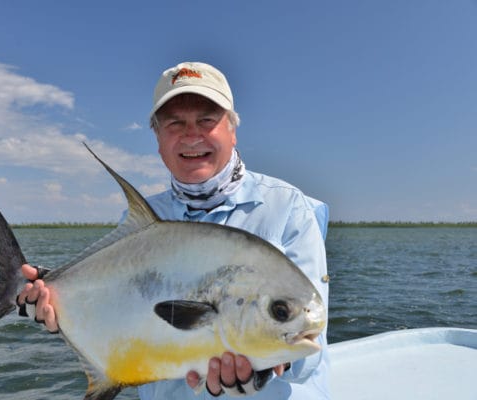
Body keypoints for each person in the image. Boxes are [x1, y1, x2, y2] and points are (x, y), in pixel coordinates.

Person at [17, 61, 330, 399]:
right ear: (158, 137)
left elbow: (308, 352)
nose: (191, 135)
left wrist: (265, 369)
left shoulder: (288, 209)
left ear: (233, 129)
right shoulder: (142, 219)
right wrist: (56, 303)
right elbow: (124, 310)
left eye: (207, 120)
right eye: (175, 123)